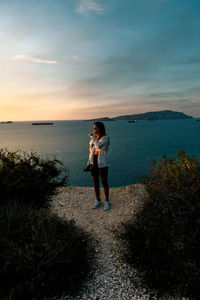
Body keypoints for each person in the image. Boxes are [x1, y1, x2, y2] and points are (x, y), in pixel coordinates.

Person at [86, 122, 110, 211]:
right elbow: (90, 151)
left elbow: (99, 146)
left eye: (95, 128)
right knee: (95, 183)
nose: (93, 130)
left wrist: (92, 137)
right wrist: (88, 163)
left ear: (100, 129)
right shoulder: (93, 139)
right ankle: (98, 200)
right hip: (93, 162)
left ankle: (107, 201)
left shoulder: (105, 138)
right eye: (93, 128)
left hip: (102, 164)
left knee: (104, 183)